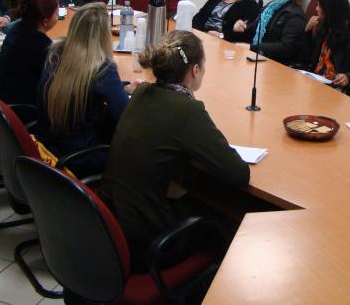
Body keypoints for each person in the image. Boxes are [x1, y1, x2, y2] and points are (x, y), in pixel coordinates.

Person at [98, 30, 250, 270]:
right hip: (145, 239)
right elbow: (239, 173)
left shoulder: (141, 92)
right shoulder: (188, 111)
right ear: (195, 71)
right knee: (223, 221)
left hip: (111, 221)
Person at [36, 3, 136, 178]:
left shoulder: (56, 54)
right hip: (82, 157)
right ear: (103, 35)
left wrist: (123, 86)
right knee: (139, 146)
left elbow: (81, 85)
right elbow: (127, 117)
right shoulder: (102, 68)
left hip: (51, 148)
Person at [0, 0, 59, 108]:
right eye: (57, 13)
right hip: (21, 106)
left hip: (1, 97)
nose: (58, 17)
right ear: (45, 21)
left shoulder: (18, 28)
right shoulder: (41, 45)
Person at [301, 0, 350, 100]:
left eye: (319, 5)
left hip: (341, 89)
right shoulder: (324, 28)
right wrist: (307, 32)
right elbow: (305, 58)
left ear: (329, 10)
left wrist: (348, 76)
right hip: (317, 81)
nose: (316, 9)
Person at [233, 0, 306, 65]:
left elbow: (287, 47)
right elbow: (255, 27)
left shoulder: (294, 15)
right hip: (262, 58)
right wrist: (243, 27)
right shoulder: (269, 7)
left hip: (280, 65)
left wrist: (252, 47)